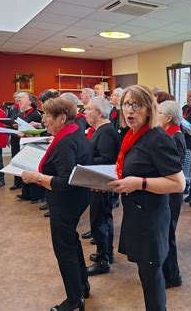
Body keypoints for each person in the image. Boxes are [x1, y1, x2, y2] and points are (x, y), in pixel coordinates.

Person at [107, 85, 185, 311]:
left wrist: (140, 183)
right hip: (136, 214)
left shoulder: (157, 138)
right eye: (125, 104)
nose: (129, 110)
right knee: (145, 272)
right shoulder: (133, 135)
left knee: (152, 278)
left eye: (136, 105)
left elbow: (178, 184)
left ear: (149, 109)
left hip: (151, 218)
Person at [21, 97, 92, 311]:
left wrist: (37, 178)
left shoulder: (65, 142)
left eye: (47, 116)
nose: (43, 120)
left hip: (65, 201)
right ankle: (82, 286)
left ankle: (73, 300)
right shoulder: (73, 132)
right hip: (76, 199)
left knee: (64, 249)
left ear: (62, 118)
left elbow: (66, 181)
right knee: (71, 241)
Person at [84, 96, 119, 276]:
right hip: (98, 180)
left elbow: (107, 158)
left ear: (98, 113)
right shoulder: (101, 129)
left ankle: (103, 259)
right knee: (100, 218)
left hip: (102, 181)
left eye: (88, 109)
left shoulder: (105, 131)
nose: (85, 112)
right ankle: (105, 252)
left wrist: (83, 161)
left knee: (100, 220)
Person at [157, 100, 186, 289]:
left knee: (168, 234)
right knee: (164, 233)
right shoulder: (167, 134)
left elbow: (173, 168)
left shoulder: (175, 137)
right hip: (166, 190)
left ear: (168, 117)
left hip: (172, 192)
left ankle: (173, 275)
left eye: (158, 112)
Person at [14, 92, 43, 202]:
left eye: (22, 98)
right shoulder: (23, 113)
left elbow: (41, 131)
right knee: (24, 167)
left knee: (32, 168)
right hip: (24, 142)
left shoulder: (35, 114)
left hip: (33, 143)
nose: (19, 100)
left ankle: (35, 195)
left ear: (30, 101)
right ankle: (26, 193)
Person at [109, 87, 126, 209]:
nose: (112, 96)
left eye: (115, 95)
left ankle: (115, 197)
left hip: (120, 144)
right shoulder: (112, 111)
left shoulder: (123, 113)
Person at [8, 92, 23, 190]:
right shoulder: (13, 108)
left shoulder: (27, 110)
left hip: (23, 137)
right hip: (14, 137)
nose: (16, 101)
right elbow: (9, 119)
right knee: (15, 159)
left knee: (23, 161)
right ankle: (17, 182)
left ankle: (23, 182)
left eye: (19, 99)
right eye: (15, 99)